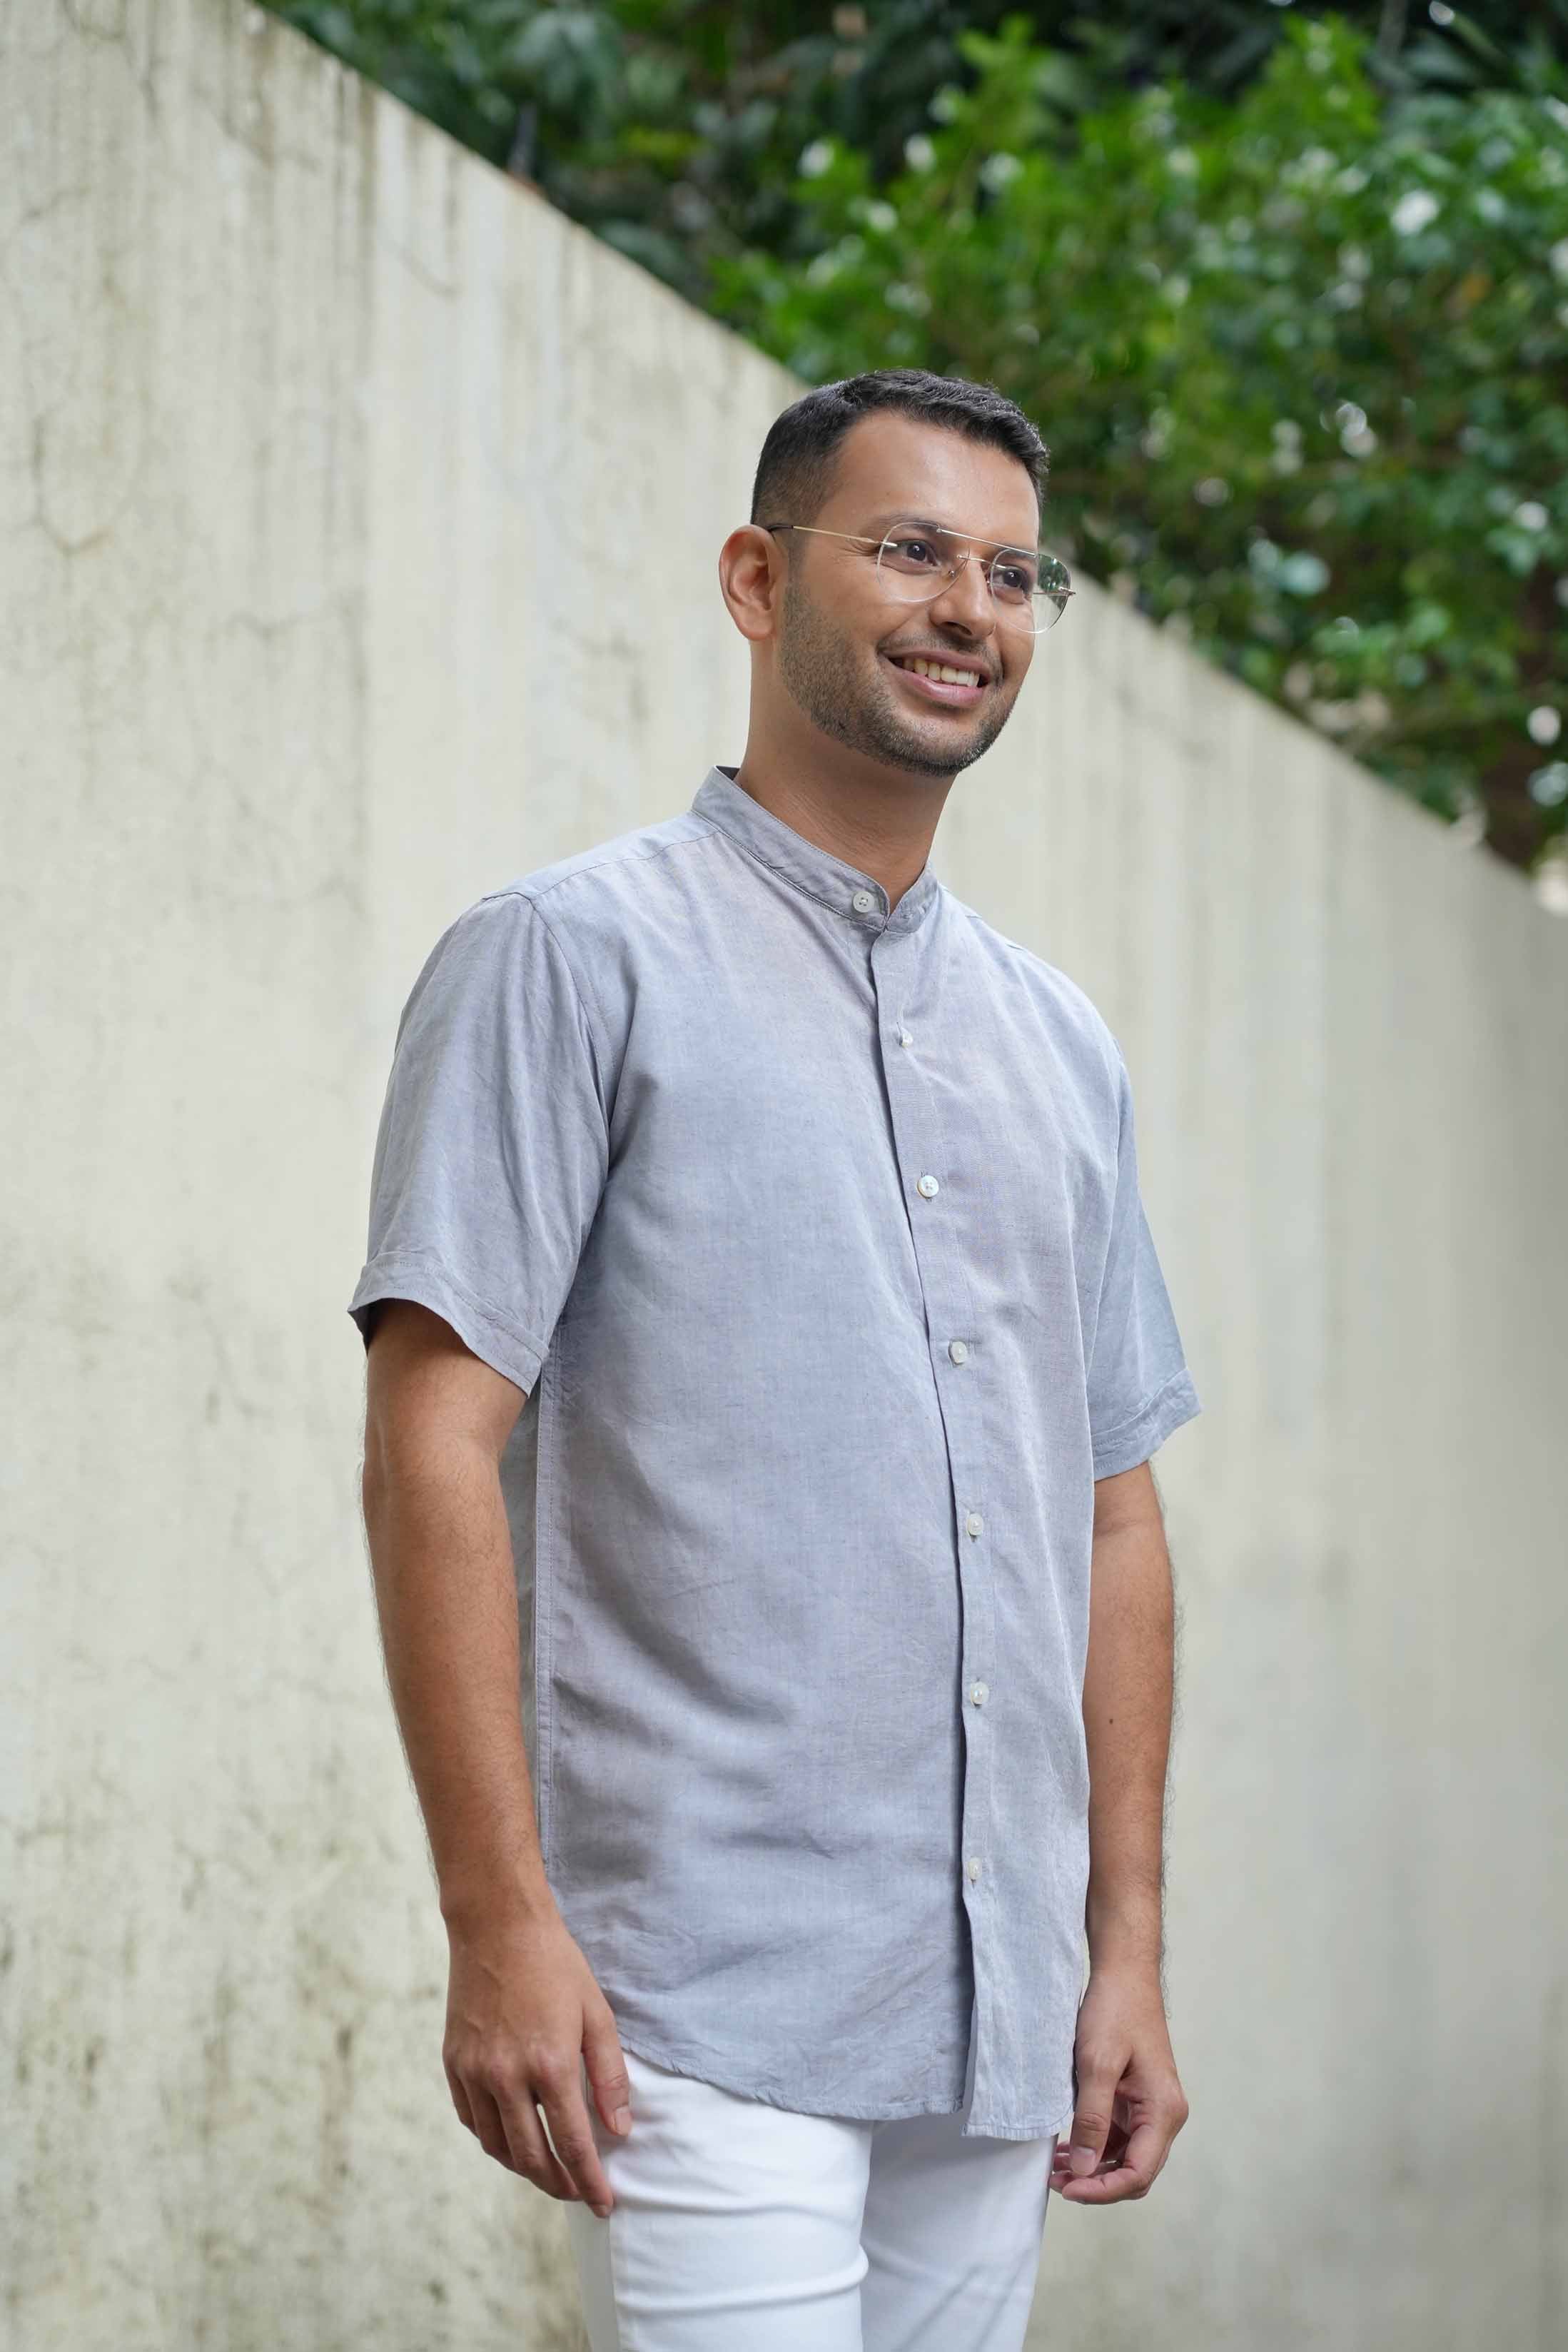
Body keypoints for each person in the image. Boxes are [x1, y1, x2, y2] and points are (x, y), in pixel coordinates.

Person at [348, 366, 1201, 2351]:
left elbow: (1117, 1517)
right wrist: (499, 1920)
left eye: (1013, 573)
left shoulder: (1061, 1045)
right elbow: (428, 1448)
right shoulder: (567, 958)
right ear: (757, 578)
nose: (969, 609)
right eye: (909, 550)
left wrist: (1126, 1947)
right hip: (696, 1995)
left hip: (997, 2012)